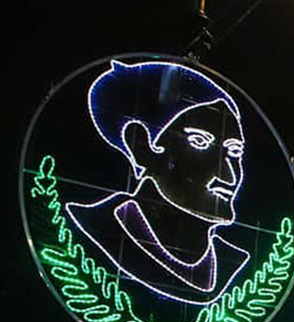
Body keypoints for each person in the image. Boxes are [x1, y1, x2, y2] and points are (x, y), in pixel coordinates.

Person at [66, 60, 250, 306]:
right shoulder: (91, 231)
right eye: (199, 142)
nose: (228, 175)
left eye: (234, 152)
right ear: (141, 147)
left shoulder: (236, 269)